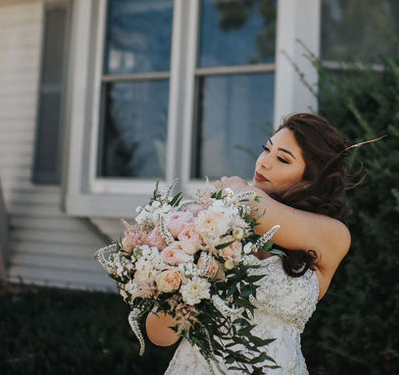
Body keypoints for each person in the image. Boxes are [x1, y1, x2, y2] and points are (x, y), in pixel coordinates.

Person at [148, 113, 357, 375]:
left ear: (310, 179)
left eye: (282, 159)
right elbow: (160, 335)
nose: (264, 162)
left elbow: (251, 203)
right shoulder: (213, 220)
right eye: (266, 149)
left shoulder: (332, 235)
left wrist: (234, 187)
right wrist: (186, 275)